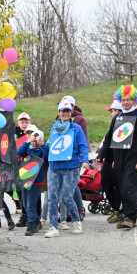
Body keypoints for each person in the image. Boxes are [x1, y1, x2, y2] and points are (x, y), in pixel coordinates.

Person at [97, 85, 137, 229]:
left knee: (129, 188)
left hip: (134, 159)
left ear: (134, 100)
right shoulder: (118, 118)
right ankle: (126, 215)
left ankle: (130, 218)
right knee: (121, 189)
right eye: (123, 100)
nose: (125, 102)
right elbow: (109, 139)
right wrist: (102, 155)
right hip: (119, 158)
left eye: (128, 100)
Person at [44, 101, 89, 238]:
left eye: (68, 111)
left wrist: (85, 160)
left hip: (71, 167)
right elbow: (51, 149)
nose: (65, 113)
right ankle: (53, 227)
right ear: (58, 112)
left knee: (68, 198)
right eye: (63, 111)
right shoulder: (53, 129)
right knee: (52, 198)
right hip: (54, 167)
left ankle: (76, 221)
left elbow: (83, 145)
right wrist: (42, 145)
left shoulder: (76, 129)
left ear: (71, 112)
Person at [17, 129, 49, 236]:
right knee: (25, 205)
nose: (34, 143)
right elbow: (19, 152)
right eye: (33, 141)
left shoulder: (41, 151)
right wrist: (27, 141)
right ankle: (36, 222)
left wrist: (42, 144)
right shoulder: (28, 149)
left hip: (36, 182)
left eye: (36, 141)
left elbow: (47, 153)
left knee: (31, 205)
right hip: (26, 180)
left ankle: (30, 226)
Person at [100, 100, 123, 223]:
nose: (111, 113)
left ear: (118, 112)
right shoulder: (112, 125)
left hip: (117, 160)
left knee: (118, 186)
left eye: (112, 111)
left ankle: (119, 210)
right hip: (107, 160)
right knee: (105, 184)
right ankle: (115, 208)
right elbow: (106, 142)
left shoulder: (122, 124)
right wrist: (100, 155)